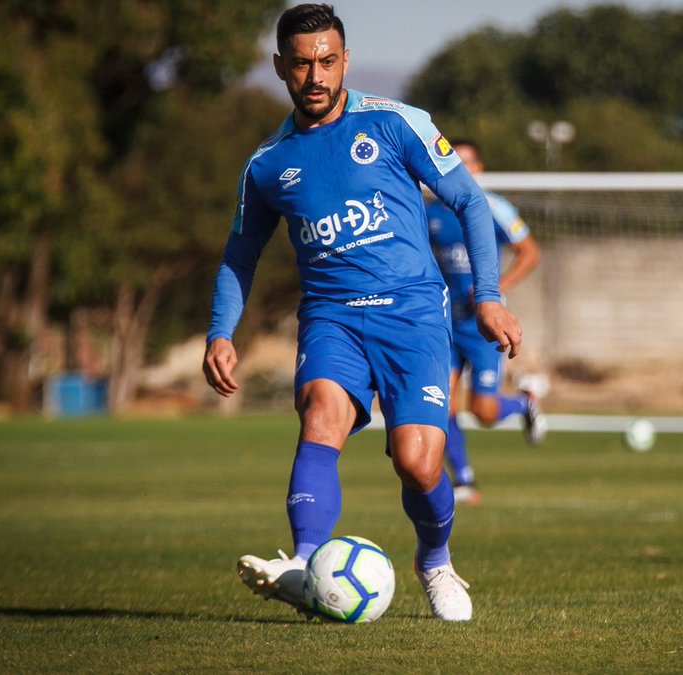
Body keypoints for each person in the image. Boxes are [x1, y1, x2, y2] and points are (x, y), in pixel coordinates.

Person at [201, 4, 522, 622]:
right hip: (332, 319)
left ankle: (435, 561)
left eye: (326, 61)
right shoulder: (267, 164)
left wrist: (488, 296)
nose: (315, 76)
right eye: (300, 64)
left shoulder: (398, 124)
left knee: (417, 460)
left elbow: (471, 203)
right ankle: (304, 565)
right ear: (280, 68)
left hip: (414, 315)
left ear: (345, 60)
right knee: (321, 413)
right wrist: (220, 332)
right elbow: (239, 255)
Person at [426, 140, 545, 506]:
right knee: (439, 404)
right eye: (454, 162)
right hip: (445, 321)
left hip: (482, 324)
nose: (462, 170)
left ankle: (524, 404)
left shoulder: (493, 207)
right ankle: (463, 480)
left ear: (479, 168)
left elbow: (530, 252)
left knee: (485, 411)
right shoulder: (429, 211)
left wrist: (496, 289)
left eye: (468, 163)